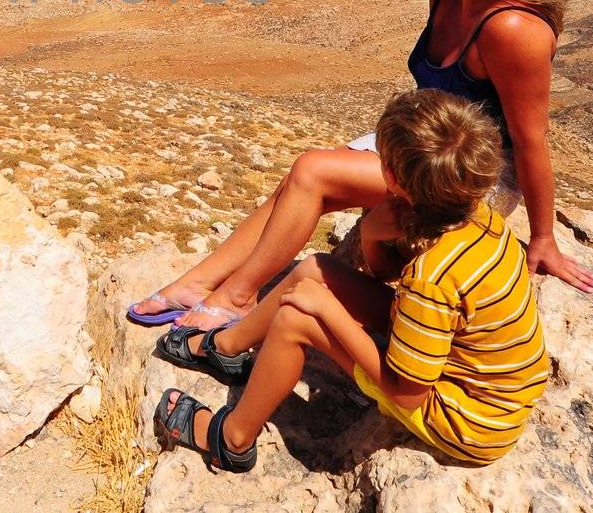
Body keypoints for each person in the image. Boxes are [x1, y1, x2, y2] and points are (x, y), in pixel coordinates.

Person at [126, 0, 593, 332]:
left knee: (313, 172)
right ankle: (200, 282)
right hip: (426, 148)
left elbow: (532, 139)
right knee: (299, 184)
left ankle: (237, 297)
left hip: (477, 174)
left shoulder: (514, 30)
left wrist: (543, 238)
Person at [153, 89, 551, 472]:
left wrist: (324, 307)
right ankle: (226, 346)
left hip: (463, 419)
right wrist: (371, 234)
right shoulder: (469, 216)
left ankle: (233, 439)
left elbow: (406, 392)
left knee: (296, 319)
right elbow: (387, 277)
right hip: (460, 366)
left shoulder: (435, 275)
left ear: (392, 176)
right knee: (315, 269)